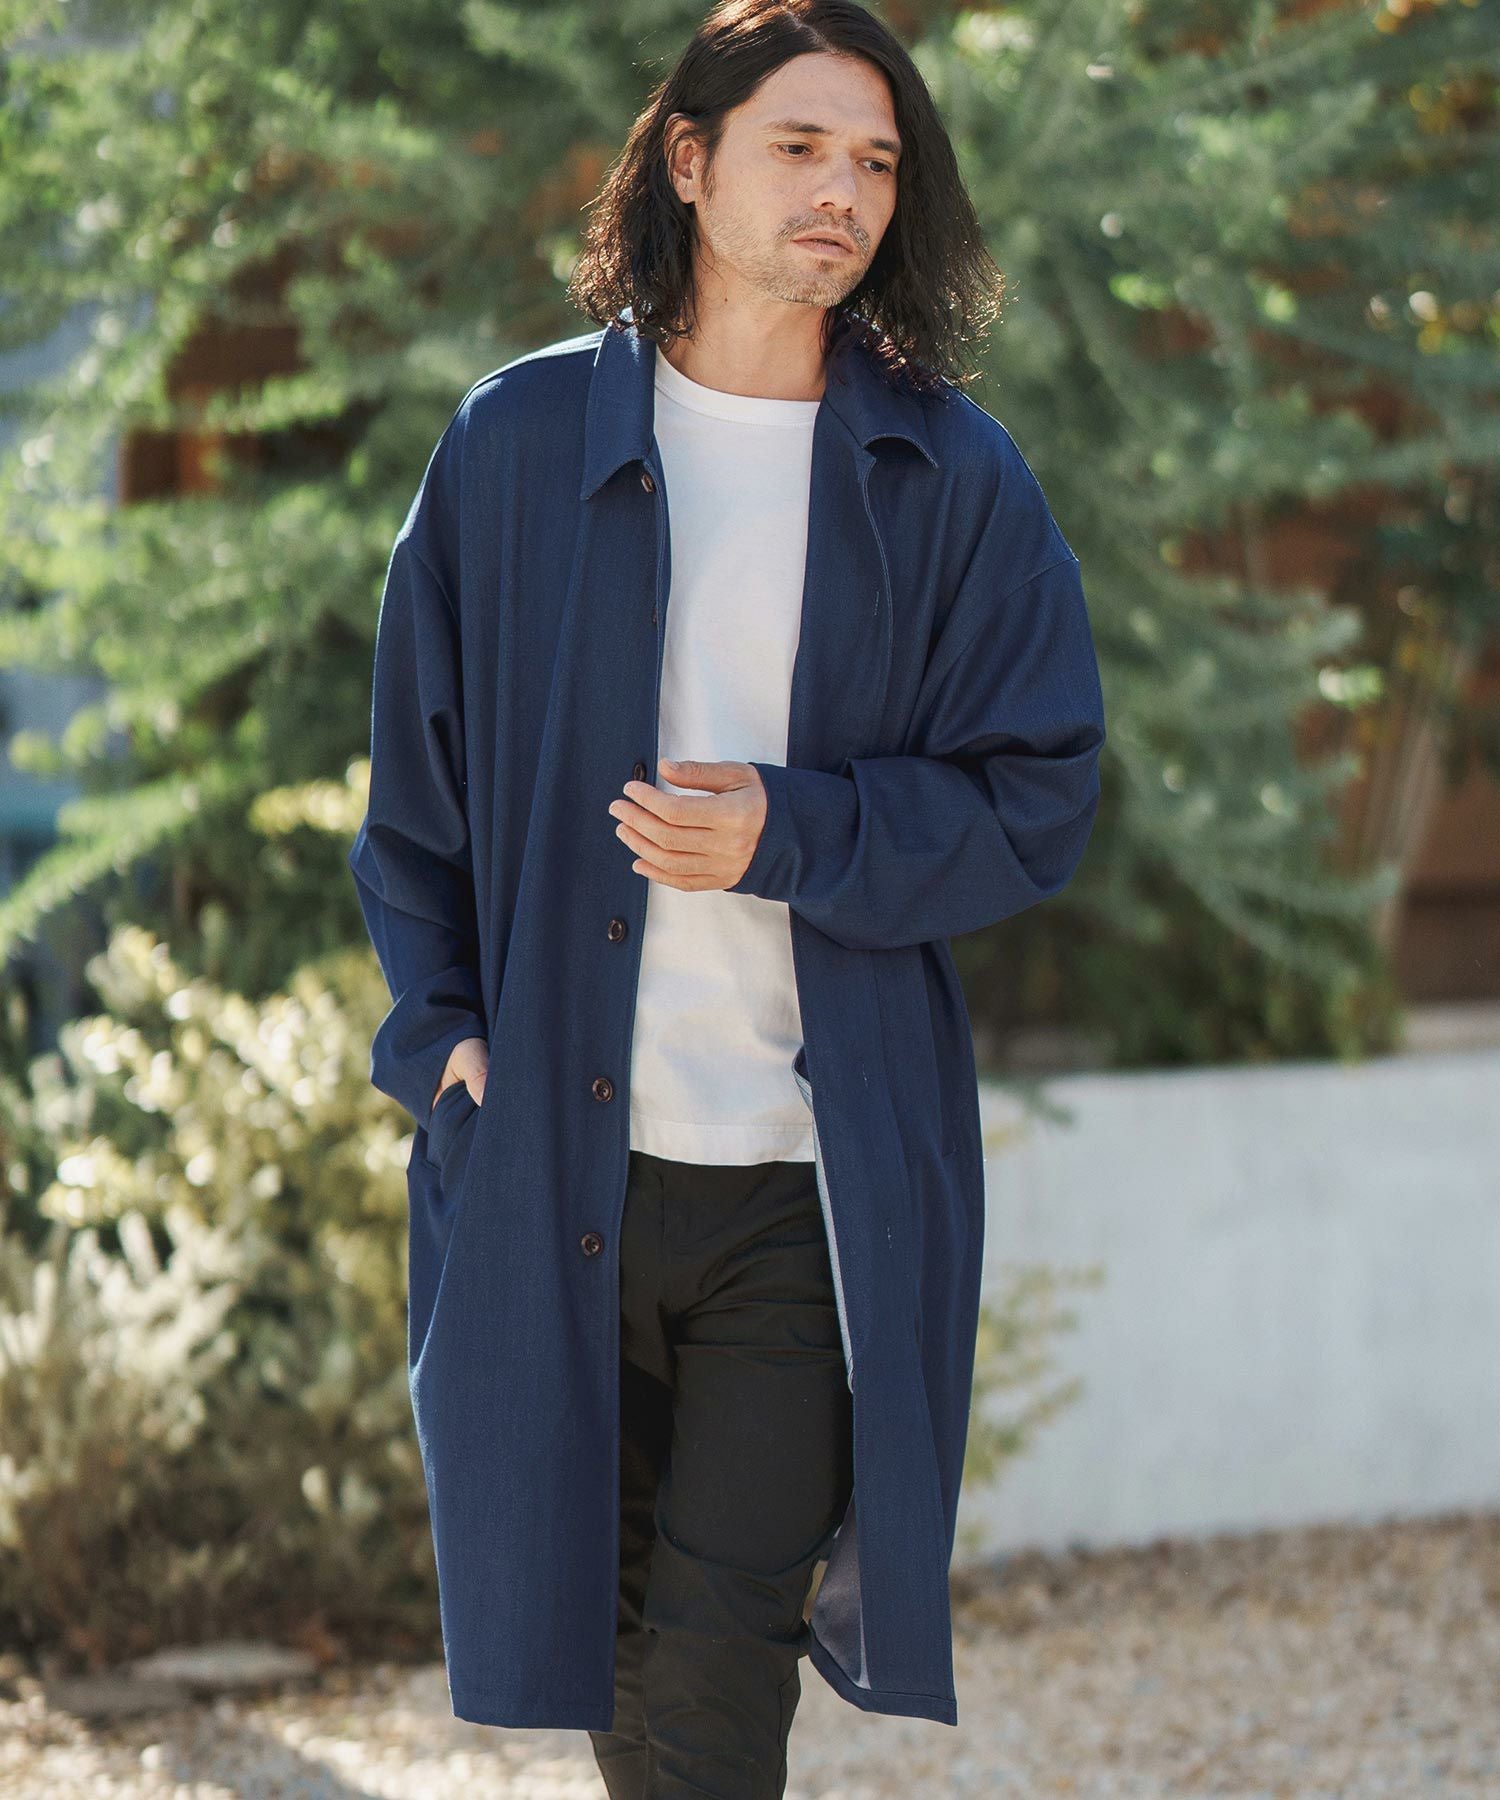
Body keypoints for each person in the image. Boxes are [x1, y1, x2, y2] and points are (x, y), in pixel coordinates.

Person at [348, 1, 1106, 1794]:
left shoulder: (950, 476)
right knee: (611, 1669)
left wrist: (793, 831)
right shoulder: (520, 442)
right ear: (688, 161)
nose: (845, 190)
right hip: (556, 1167)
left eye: (878, 161)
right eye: (802, 147)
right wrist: (441, 1042)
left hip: (803, 1199)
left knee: (710, 1689)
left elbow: (1039, 798)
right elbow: (415, 804)